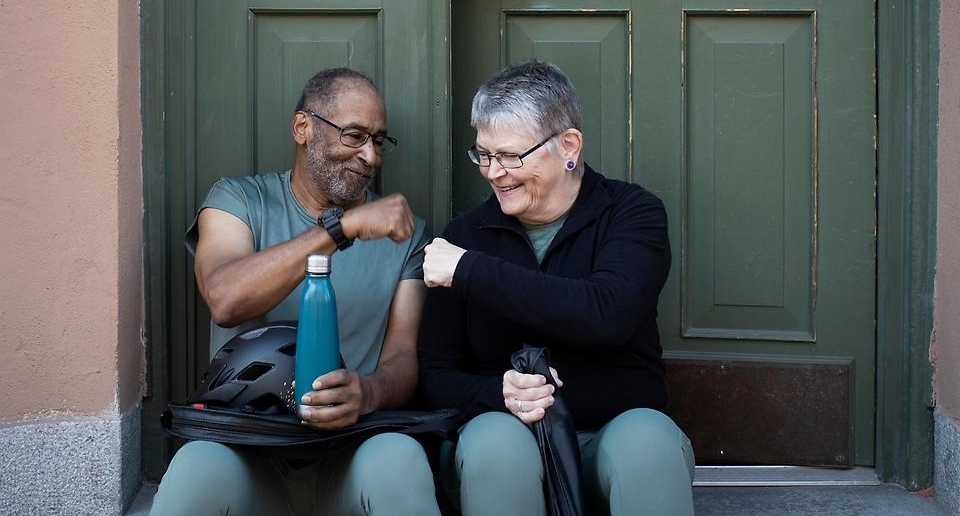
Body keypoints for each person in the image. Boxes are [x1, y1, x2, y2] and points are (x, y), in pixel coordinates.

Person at [151, 68, 442, 516]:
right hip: (246, 454)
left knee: (401, 460)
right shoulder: (237, 201)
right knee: (195, 466)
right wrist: (340, 228)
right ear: (303, 128)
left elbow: (402, 358)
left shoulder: (407, 234)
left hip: (351, 452)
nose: (371, 156)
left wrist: (368, 392)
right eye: (354, 135)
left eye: (378, 140)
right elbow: (225, 299)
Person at [418, 60, 695, 516]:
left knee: (647, 444)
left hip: (612, 432)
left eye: (510, 156)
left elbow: (606, 314)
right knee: (496, 445)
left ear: (568, 145)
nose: (492, 172)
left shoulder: (631, 214)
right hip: (506, 439)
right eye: (483, 155)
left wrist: (471, 272)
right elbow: (435, 373)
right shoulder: (466, 235)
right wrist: (498, 394)